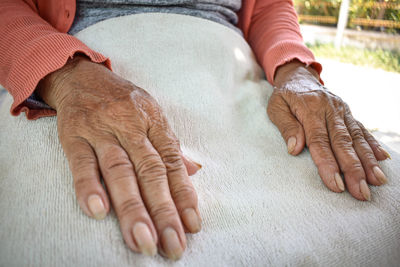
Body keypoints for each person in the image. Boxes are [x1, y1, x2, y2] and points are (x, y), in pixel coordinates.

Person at [0, 0, 390, 261]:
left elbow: (273, 6)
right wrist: (65, 74)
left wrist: (296, 70)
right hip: (69, 73)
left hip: (234, 75)